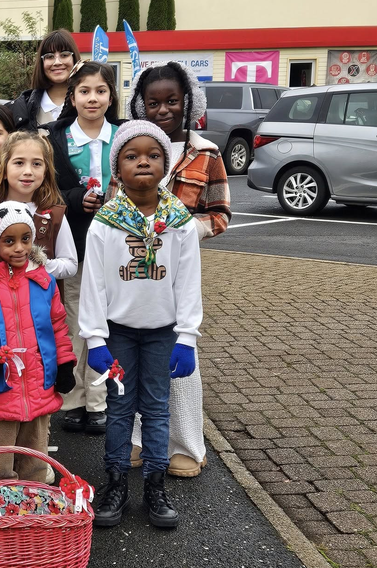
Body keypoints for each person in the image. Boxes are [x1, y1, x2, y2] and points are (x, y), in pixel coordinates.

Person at [79, 120, 202, 529]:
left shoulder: (179, 221)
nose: (143, 162)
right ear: (118, 168)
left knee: (156, 409)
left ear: (166, 164)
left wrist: (187, 336)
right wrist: (95, 338)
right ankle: (115, 482)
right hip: (118, 333)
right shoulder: (106, 222)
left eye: (153, 155)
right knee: (118, 408)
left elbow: (188, 282)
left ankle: (154, 482)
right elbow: (93, 283)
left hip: (163, 334)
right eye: (132, 156)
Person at [126, 61, 231, 477]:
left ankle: (186, 443)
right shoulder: (129, 147)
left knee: (179, 352)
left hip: (180, 271)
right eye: (153, 102)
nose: (163, 110)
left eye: (172, 101)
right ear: (141, 105)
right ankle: (137, 438)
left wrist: (184, 228)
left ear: (188, 102)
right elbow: (119, 204)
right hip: (134, 268)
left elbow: (220, 214)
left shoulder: (206, 154)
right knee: (133, 348)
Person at [0, 201, 76, 483]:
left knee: (35, 457)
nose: (19, 248)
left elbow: (57, 325)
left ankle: (34, 507)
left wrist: (64, 363)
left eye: (25, 239)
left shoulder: (42, 279)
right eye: (9, 241)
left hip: (38, 381)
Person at [47, 61, 124, 436]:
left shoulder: (125, 135)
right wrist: (76, 198)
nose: (93, 98)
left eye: (100, 91)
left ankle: (100, 400)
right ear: (72, 96)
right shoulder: (55, 137)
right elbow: (45, 190)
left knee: (108, 324)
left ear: (111, 96)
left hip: (119, 248)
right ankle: (77, 400)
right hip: (75, 247)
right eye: (84, 91)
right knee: (78, 322)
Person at [0, 130, 77, 282]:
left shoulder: (54, 215)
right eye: (19, 163)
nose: (28, 171)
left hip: (43, 303)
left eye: (37, 164)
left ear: (45, 172)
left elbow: (70, 265)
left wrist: (31, 265)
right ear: (4, 169)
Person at [6, 29, 81, 132]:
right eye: (49, 56)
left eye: (64, 55)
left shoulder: (90, 105)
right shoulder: (20, 110)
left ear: (74, 58)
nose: (57, 62)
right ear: (42, 62)